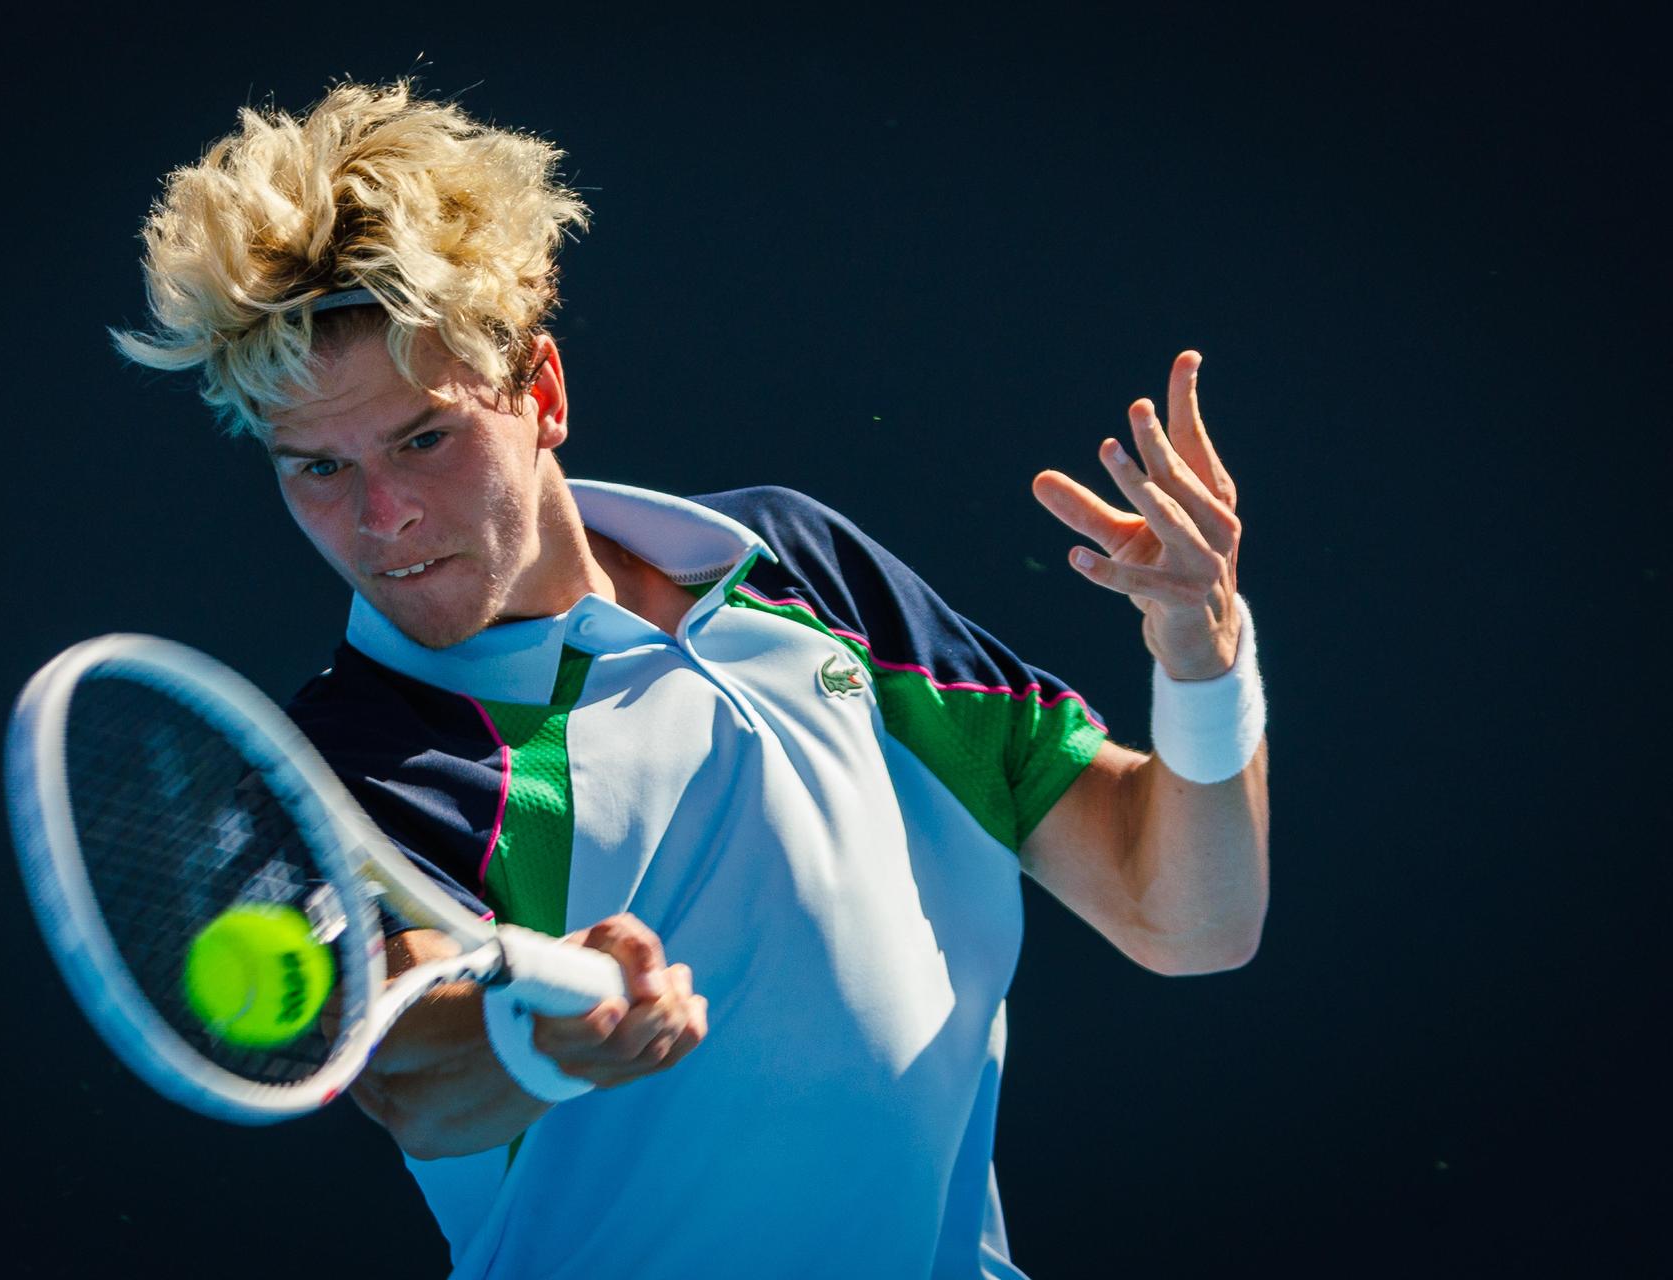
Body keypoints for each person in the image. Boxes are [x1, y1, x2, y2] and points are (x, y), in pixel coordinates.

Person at [110, 79, 1269, 1279]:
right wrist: (548, 1041)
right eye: (315, 468)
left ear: (541, 392)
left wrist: (1202, 656)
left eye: (423, 437)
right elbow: (412, 1076)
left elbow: (1187, 914)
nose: (383, 516)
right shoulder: (350, 761)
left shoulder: (803, 570)